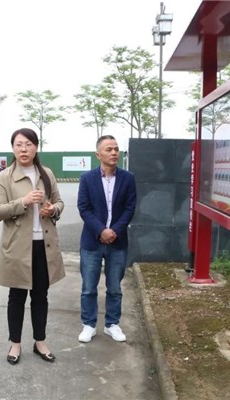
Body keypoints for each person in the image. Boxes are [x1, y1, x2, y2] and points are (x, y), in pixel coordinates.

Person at [0, 128, 65, 365]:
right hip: (18, 247)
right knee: (16, 297)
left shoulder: (46, 174)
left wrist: (52, 209)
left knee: (40, 296)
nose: (24, 149)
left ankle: (40, 341)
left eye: (28, 144)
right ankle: (15, 343)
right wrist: (22, 202)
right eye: (19, 144)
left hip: (44, 245)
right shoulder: (4, 177)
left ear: (36, 147)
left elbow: (59, 202)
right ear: (13, 148)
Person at [77, 135, 137, 343]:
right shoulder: (87, 179)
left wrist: (114, 231)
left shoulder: (128, 178)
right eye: (109, 149)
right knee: (88, 288)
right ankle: (89, 324)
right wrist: (101, 230)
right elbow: (84, 208)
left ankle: (112, 324)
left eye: (116, 149)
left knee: (115, 288)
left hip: (117, 242)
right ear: (98, 154)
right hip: (92, 242)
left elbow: (130, 208)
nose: (114, 153)